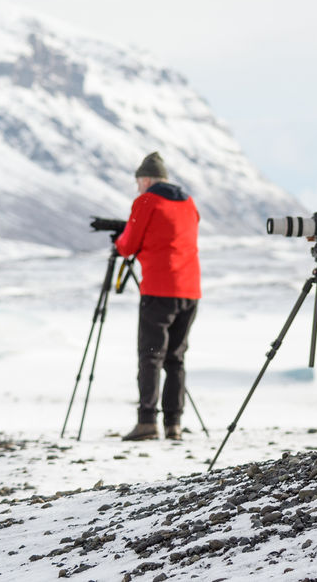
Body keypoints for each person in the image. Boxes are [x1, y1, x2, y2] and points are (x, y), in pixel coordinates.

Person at [114, 151, 201, 440]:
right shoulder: (189, 202)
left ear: (147, 178)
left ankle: (147, 422)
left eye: (138, 182)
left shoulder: (147, 200)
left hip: (159, 289)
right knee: (175, 358)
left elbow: (128, 245)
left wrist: (119, 238)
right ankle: (173, 424)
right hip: (189, 291)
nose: (138, 187)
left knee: (151, 356)